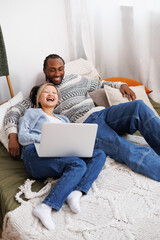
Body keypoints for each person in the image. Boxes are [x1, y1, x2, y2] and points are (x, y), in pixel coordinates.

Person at [4, 54, 160, 181]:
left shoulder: (76, 79)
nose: (57, 74)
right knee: (125, 147)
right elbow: (14, 110)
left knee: (138, 107)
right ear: (44, 70)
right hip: (85, 126)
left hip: (102, 113)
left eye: (60, 69)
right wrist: (12, 136)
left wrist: (121, 85)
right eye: (52, 70)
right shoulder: (41, 93)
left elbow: (100, 84)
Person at [18, 83, 106, 230]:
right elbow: (22, 137)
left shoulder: (63, 120)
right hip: (35, 155)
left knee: (99, 154)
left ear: (58, 100)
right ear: (39, 99)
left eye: (54, 92)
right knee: (78, 165)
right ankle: (46, 206)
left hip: (59, 153)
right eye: (46, 92)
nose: (51, 94)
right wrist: (46, 138)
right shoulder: (31, 113)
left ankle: (76, 192)